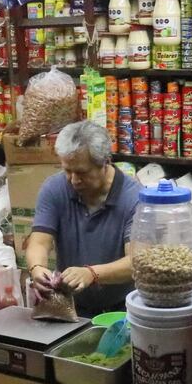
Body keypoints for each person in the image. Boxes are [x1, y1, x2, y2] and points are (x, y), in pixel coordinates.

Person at [25, 121, 142, 318]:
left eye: (82, 172)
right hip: (71, 309)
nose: (73, 179)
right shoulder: (54, 188)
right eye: (67, 170)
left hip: (122, 313)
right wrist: (37, 268)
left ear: (105, 162)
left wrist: (91, 274)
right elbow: (39, 242)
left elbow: (136, 262)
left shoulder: (134, 198)